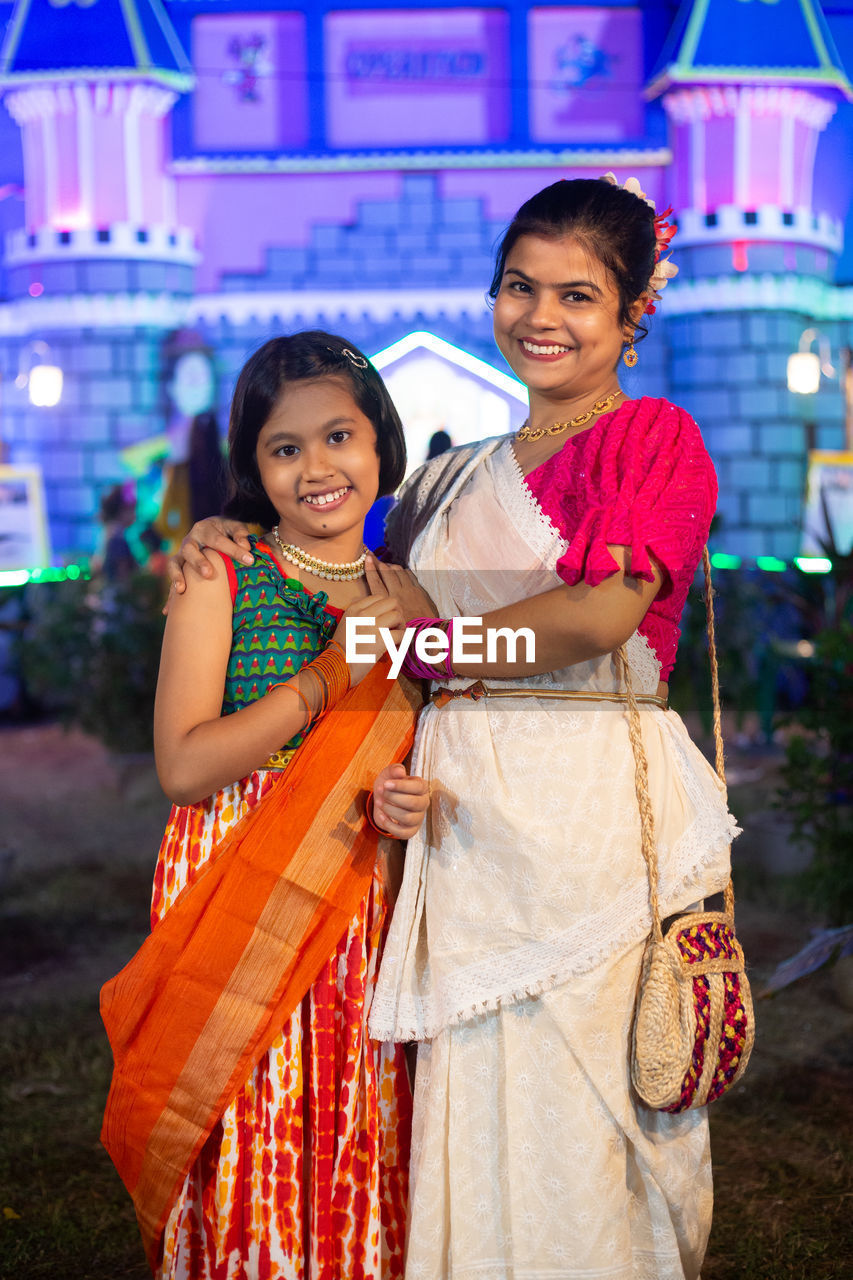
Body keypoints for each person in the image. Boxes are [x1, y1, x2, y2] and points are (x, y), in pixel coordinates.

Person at [168, 177, 741, 1280]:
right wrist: (220, 530)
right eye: (519, 286)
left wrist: (413, 648)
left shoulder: (650, 440)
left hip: (583, 814)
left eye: (579, 294)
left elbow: (596, 615)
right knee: (467, 1101)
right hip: (454, 827)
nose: (542, 315)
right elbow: (328, 530)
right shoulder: (443, 481)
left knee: (585, 1090)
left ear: (632, 314)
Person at [101, 332, 430, 1280]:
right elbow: (182, 764)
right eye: (284, 449)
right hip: (237, 874)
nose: (317, 467)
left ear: (380, 446)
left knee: (353, 1105)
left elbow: (426, 736)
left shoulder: (407, 595)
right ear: (253, 463)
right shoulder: (223, 574)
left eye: (340, 437)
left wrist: (413, 796)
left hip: (362, 890)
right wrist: (327, 681)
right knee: (256, 1102)